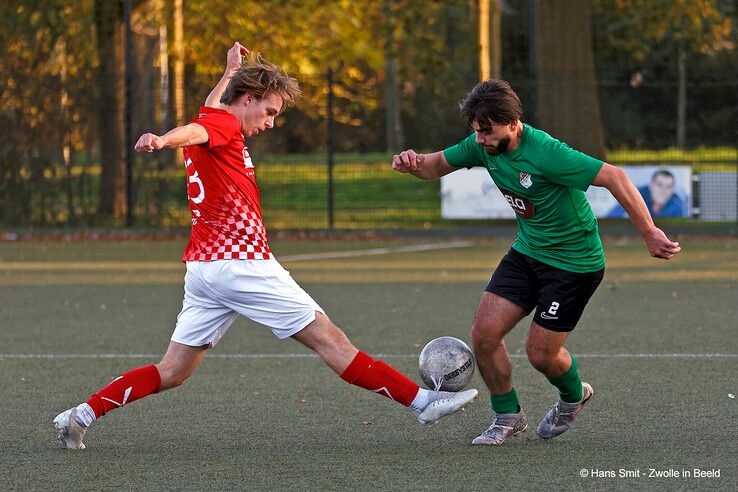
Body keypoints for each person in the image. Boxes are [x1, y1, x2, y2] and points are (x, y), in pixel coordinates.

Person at [53, 42, 477, 450]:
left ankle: (80, 415)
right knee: (330, 339)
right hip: (242, 264)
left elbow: (208, 110)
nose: (271, 122)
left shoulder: (219, 120)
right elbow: (198, 128)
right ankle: (422, 403)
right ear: (250, 98)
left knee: (173, 370)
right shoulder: (219, 127)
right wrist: (164, 139)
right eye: (270, 111)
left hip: (204, 270)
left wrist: (228, 73)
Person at [391, 79, 681, 445]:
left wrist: (650, 233)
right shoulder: (484, 145)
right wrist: (411, 162)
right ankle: (508, 415)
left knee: (541, 355)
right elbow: (431, 167)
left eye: (486, 131)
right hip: (528, 253)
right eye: (475, 132)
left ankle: (574, 395)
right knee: (484, 335)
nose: (479, 139)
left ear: (513, 124)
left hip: (575, 264)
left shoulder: (547, 153)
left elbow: (614, 176)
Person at [607, 169, 686, 218]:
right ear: (651, 185)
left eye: (669, 186)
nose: (663, 191)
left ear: (673, 189)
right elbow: (613, 215)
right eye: (659, 185)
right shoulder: (636, 194)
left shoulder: (677, 205)